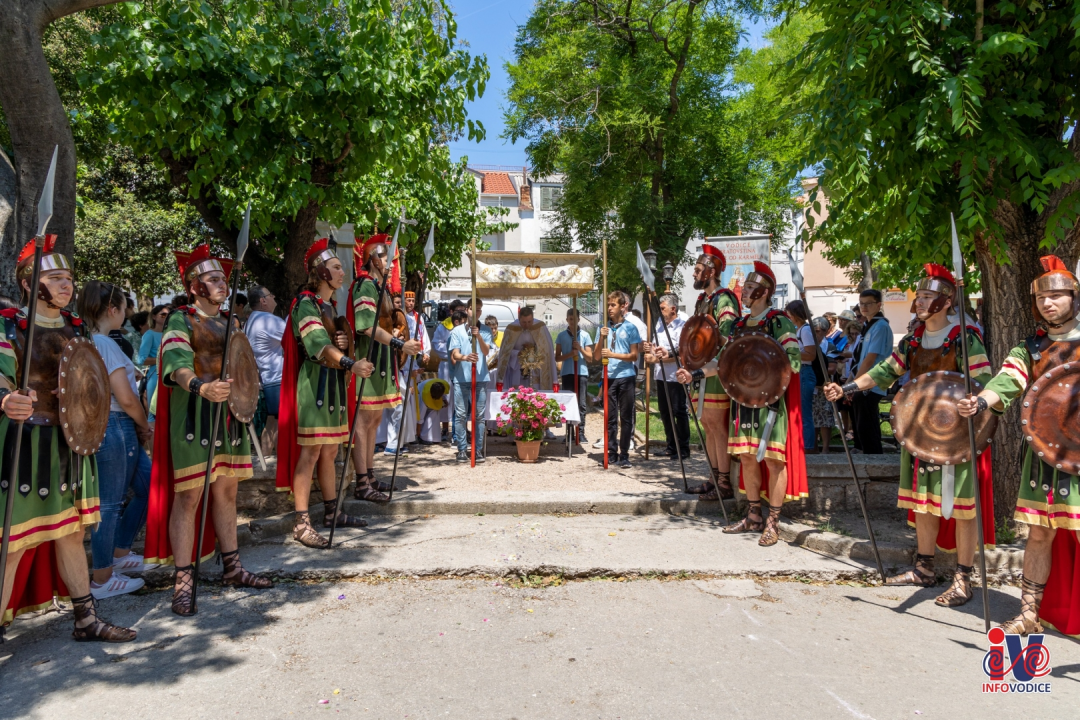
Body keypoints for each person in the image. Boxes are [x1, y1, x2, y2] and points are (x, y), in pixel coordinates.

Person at [825, 264, 996, 606]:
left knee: (963, 507)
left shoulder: (964, 336)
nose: (920, 301)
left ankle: (964, 577)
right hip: (921, 429)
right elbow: (885, 370)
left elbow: (983, 379)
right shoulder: (914, 339)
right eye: (920, 295)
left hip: (958, 434)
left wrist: (973, 404)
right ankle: (924, 568)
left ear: (946, 301)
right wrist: (847, 387)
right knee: (924, 505)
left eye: (929, 295)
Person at [1, 236, 134, 642]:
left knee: (72, 533)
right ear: (28, 283)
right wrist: (6, 398)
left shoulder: (77, 328)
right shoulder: (10, 324)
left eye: (69, 278)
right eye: (54, 277)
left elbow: (91, 380)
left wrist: (80, 396)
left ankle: (85, 620)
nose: (66, 285)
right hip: (26, 445)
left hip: (71, 445)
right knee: (13, 545)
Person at [145, 243, 273, 616]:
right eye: (214, 278)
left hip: (229, 420)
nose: (222, 284)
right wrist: (200, 387)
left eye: (223, 279)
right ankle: (183, 581)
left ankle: (232, 567)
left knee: (227, 495)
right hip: (193, 422)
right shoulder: (179, 320)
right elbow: (175, 363)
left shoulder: (231, 321)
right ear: (194, 285)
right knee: (188, 499)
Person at [957, 256, 1080, 634]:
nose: (1049, 303)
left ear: (1074, 298)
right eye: (1044, 297)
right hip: (1045, 452)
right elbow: (1008, 379)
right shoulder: (1032, 346)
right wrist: (981, 402)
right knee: (1040, 533)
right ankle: (1029, 614)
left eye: (1058, 296)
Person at [682, 261, 807, 546]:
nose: (744, 291)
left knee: (774, 460)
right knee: (749, 458)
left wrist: (769, 377)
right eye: (745, 287)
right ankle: (753, 516)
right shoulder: (739, 325)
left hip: (770, 403)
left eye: (750, 287)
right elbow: (723, 362)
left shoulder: (778, 321)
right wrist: (696, 372)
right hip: (743, 401)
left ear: (763, 292)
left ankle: (773, 522)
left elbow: (793, 358)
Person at [276, 238, 374, 548]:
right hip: (314, 386)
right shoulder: (305, 303)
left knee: (330, 451)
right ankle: (302, 522)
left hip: (331, 385)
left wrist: (343, 345)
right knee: (311, 452)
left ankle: (333, 512)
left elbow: (331, 339)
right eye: (335, 267)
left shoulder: (327, 306)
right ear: (321, 272)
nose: (342, 271)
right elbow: (317, 343)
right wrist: (349, 361)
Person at [78, 281, 154, 599]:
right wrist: (144, 424)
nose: (126, 313)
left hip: (110, 425)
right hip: (116, 424)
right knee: (109, 502)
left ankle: (120, 554)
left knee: (146, 486)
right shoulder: (106, 345)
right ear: (113, 310)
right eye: (124, 308)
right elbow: (125, 397)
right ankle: (102, 578)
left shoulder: (86, 342)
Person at [348, 234, 422, 501]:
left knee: (375, 419)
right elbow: (366, 326)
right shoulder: (364, 285)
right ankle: (361, 482)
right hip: (367, 357)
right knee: (364, 421)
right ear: (373, 259)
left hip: (381, 358)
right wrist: (399, 344)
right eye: (386, 258)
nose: (391, 264)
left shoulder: (381, 289)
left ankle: (370, 474)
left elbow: (386, 322)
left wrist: (398, 335)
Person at [675, 245, 740, 499]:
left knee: (716, 425)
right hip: (699, 369)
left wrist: (707, 353)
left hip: (715, 370)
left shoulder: (724, 298)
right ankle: (714, 477)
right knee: (707, 426)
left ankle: (724, 483)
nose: (694, 274)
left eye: (698, 270)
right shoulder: (703, 300)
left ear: (711, 272)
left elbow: (727, 336)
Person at [592, 291, 641, 469]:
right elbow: (596, 357)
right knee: (610, 417)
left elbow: (634, 356)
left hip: (626, 377)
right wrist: (602, 339)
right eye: (608, 305)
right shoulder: (602, 329)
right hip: (609, 377)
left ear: (622, 307)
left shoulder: (630, 328)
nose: (609, 308)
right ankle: (611, 452)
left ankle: (625, 453)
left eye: (613, 305)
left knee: (626, 417)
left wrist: (613, 355)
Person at [382, 290, 431, 455]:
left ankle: (400, 441)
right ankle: (391, 443)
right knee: (396, 406)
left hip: (405, 364)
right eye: (400, 302)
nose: (405, 305)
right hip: (393, 367)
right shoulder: (387, 322)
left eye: (411, 301)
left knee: (404, 406)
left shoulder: (414, 319)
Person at [448, 298, 493, 463]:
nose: (477, 312)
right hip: (461, 378)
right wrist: (465, 357)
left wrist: (479, 336)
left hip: (480, 377)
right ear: (467, 310)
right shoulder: (457, 331)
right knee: (460, 415)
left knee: (479, 415)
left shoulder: (486, 330)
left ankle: (478, 449)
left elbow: (486, 351)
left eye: (480, 310)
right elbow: (455, 354)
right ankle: (461, 448)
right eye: (474, 309)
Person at [645, 294, 689, 460]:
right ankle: (671, 445)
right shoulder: (659, 324)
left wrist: (660, 356)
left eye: (663, 308)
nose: (660, 311)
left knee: (679, 411)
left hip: (675, 374)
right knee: (665, 411)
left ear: (673, 309)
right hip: (660, 374)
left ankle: (683, 448)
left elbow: (681, 351)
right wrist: (650, 348)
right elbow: (656, 346)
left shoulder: (682, 326)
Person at [848, 289, 892, 454]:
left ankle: (872, 456)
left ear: (879, 305)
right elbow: (859, 358)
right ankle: (861, 449)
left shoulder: (880, 326)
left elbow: (870, 358)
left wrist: (854, 384)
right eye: (862, 303)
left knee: (867, 423)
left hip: (872, 382)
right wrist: (849, 383)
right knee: (859, 420)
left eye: (869, 303)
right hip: (862, 380)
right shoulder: (867, 325)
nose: (864, 307)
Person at [246, 286, 285, 456]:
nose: (274, 296)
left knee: (272, 422)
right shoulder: (269, 321)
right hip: (276, 378)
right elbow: (295, 339)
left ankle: (267, 460)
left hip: (266, 379)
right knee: (278, 423)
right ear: (263, 300)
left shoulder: (252, 320)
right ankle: (275, 461)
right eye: (270, 295)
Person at [554, 308, 593, 444]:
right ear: (566, 320)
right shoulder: (561, 336)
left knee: (581, 403)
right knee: (568, 403)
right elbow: (557, 357)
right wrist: (570, 354)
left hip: (581, 372)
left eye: (574, 319)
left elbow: (590, 357)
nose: (572, 321)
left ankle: (580, 432)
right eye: (570, 319)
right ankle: (569, 432)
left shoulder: (585, 335)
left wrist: (580, 349)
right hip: (567, 372)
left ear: (578, 319)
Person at [498, 307, 557, 391]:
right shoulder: (511, 328)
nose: (527, 325)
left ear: (533, 318)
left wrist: (532, 349)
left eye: (529, 322)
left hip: (535, 368)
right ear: (519, 319)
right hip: (517, 367)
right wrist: (518, 353)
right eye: (524, 322)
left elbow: (547, 350)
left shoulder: (539, 327)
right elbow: (505, 352)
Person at [431, 299, 465, 441]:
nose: (460, 313)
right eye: (457, 310)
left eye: (462, 310)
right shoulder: (444, 326)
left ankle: (460, 429)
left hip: (461, 364)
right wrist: (451, 352)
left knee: (460, 396)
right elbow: (436, 344)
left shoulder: (465, 324)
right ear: (451, 312)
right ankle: (445, 428)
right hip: (446, 364)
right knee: (446, 395)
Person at [786, 300, 817, 451]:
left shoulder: (805, 330)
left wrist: (790, 353)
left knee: (804, 413)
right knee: (799, 412)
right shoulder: (799, 329)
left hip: (805, 371)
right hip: (800, 372)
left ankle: (808, 446)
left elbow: (811, 354)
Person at [809, 317, 836, 454]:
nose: (817, 334)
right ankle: (813, 447)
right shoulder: (808, 345)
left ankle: (825, 448)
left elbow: (832, 368)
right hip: (811, 387)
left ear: (826, 331)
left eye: (820, 331)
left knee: (826, 418)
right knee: (812, 417)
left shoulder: (830, 346)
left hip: (824, 388)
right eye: (815, 331)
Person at [136, 304, 170, 409]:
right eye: (163, 315)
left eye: (169, 315)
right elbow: (141, 359)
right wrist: (163, 360)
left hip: (170, 374)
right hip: (155, 375)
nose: (166, 317)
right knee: (154, 412)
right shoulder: (149, 334)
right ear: (154, 317)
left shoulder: (170, 333)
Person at [416, 377, 450, 444]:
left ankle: (434, 437)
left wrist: (444, 399)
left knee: (435, 412)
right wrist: (418, 435)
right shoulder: (423, 399)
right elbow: (419, 419)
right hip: (421, 393)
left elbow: (442, 392)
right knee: (423, 415)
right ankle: (423, 436)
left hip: (431, 393)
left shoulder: (442, 386)